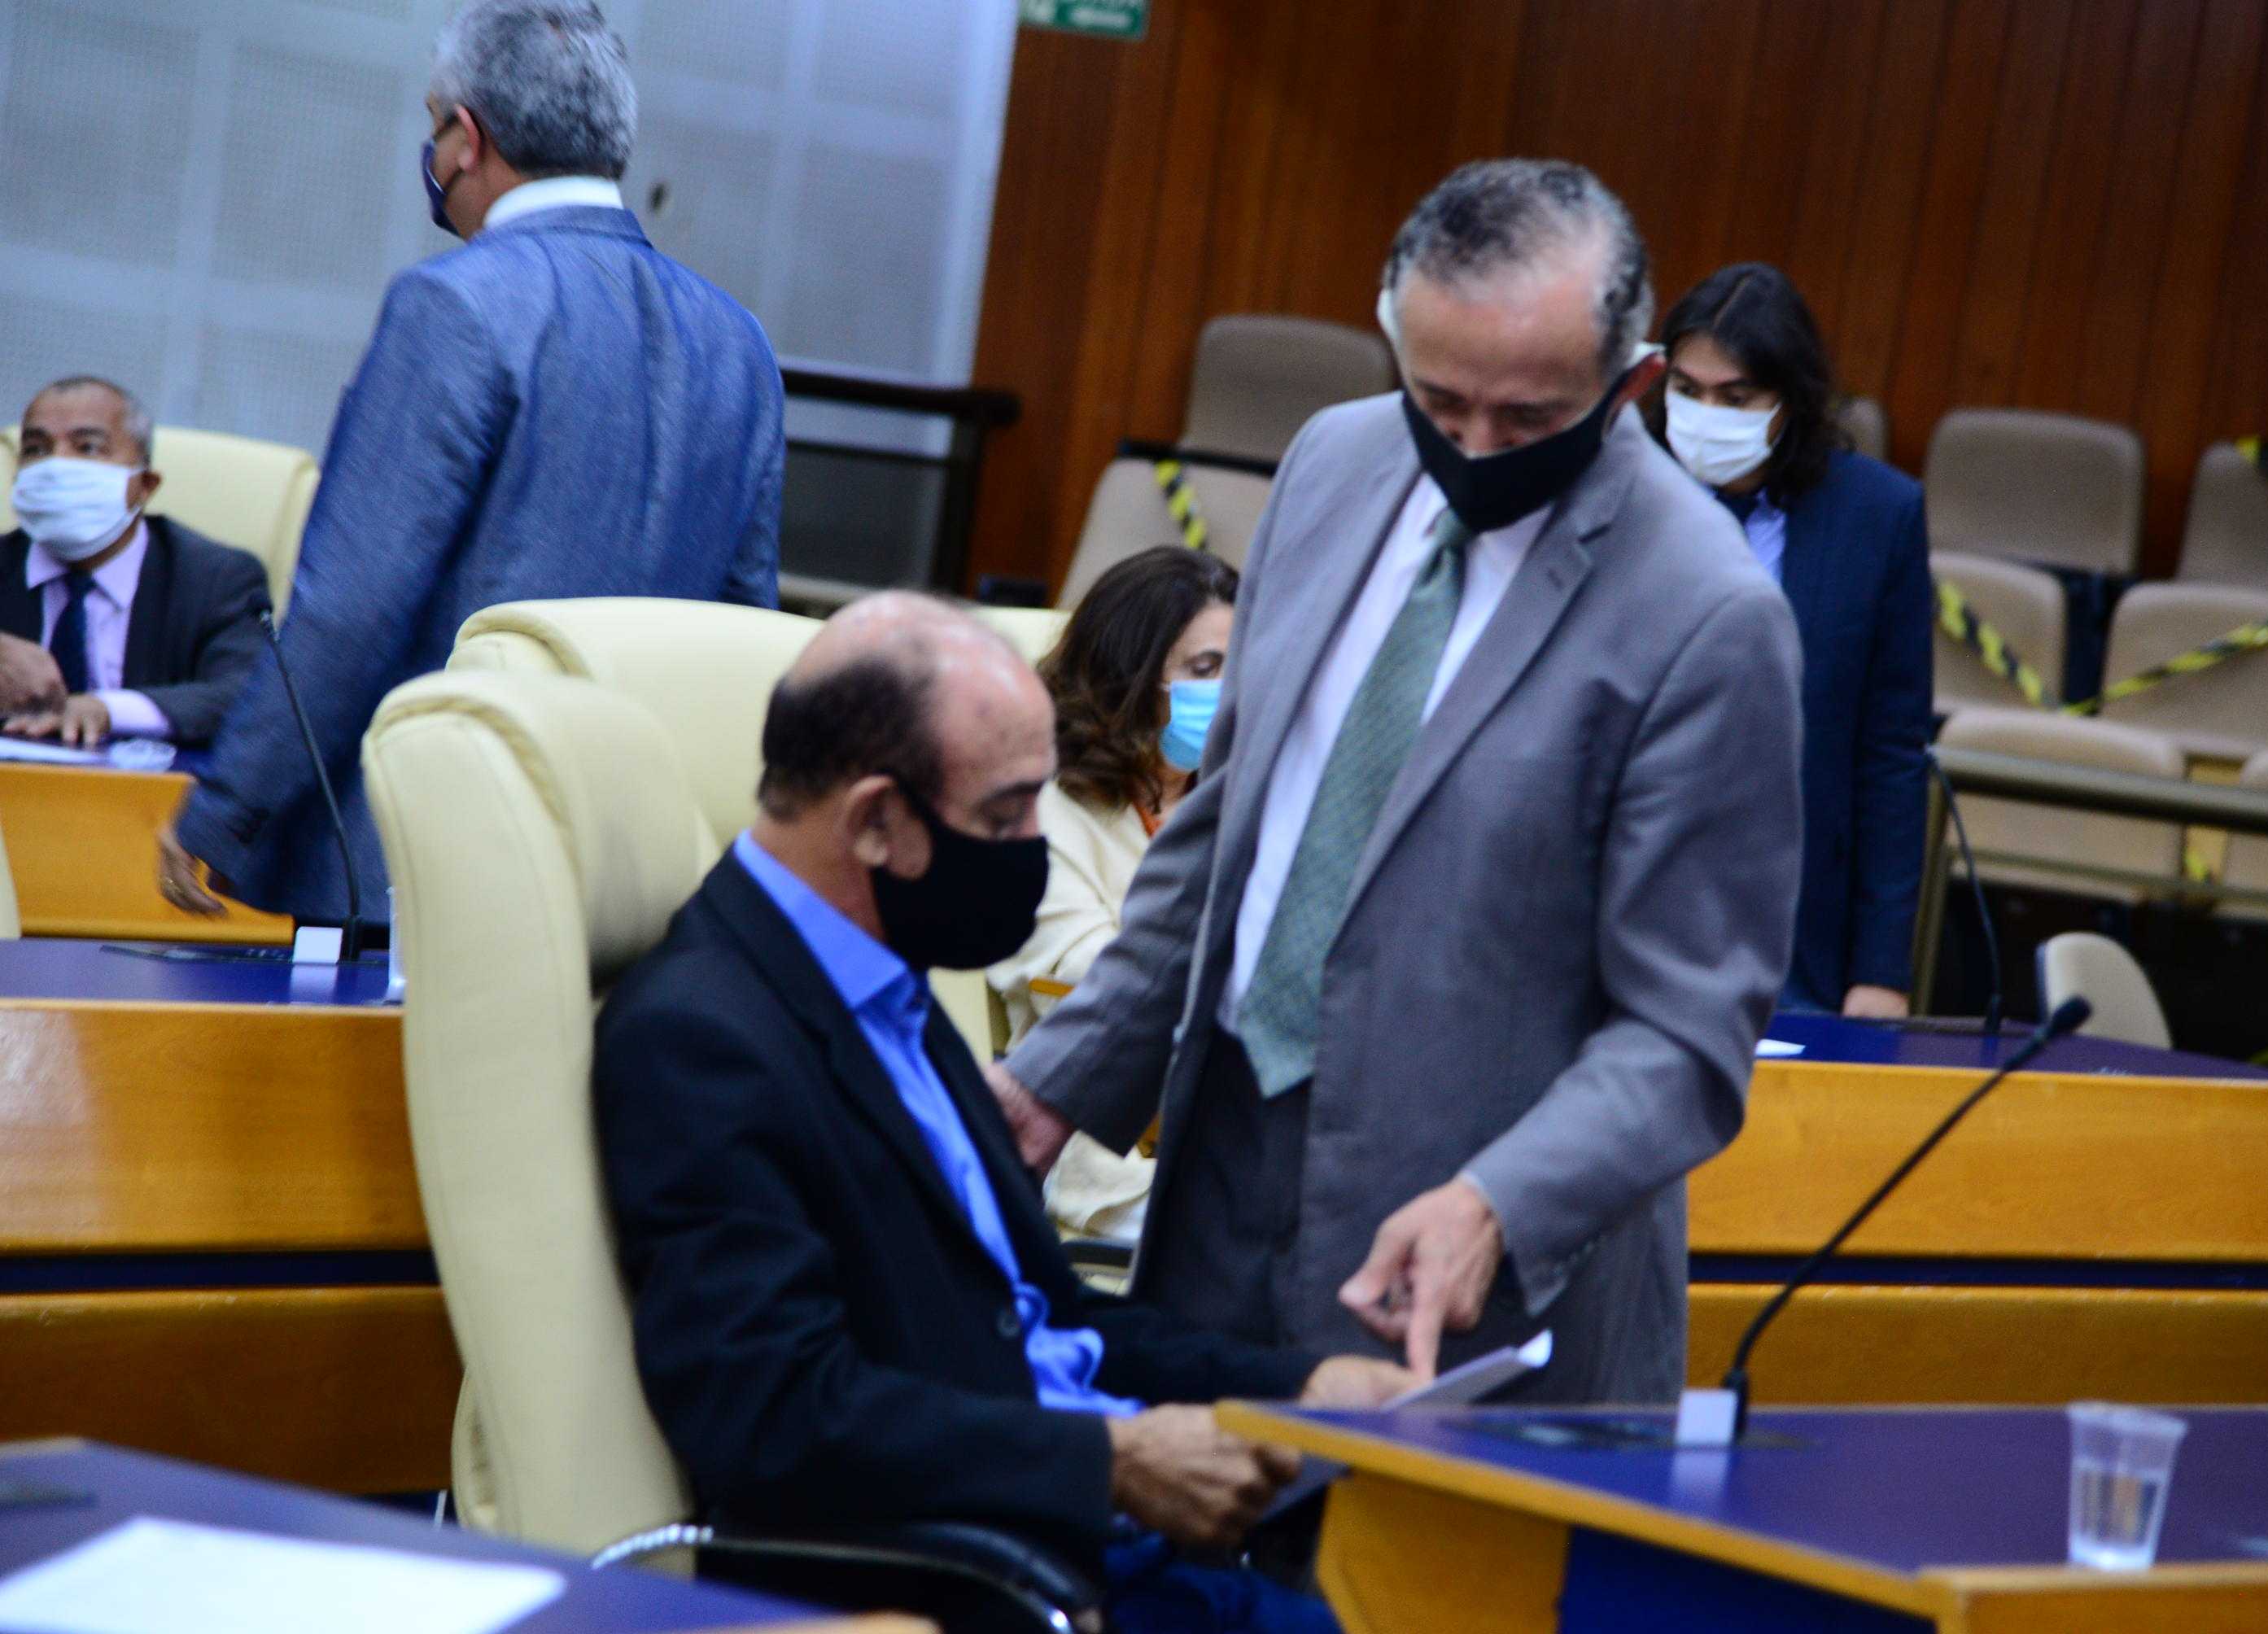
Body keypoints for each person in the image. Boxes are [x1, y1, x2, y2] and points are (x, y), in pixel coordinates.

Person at [989, 159, 1805, 1402]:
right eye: (1440, 401)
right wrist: (1056, 1082)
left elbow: (1687, 1038)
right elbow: (1229, 832)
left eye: (1527, 419)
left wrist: (1500, 1201)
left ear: (1630, 384)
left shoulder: (1709, 615)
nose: (1473, 448)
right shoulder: (1333, 460)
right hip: (1215, 1183)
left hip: (1474, 1268)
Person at [595, 593, 1411, 1629]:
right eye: (1003, 816)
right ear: (875, 821)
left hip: (1091, 1550)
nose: (1033, 846)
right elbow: (773, 1414)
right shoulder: (702, 1038)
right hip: (972, 1587)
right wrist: (1110, 1461)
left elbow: (1049, 1317)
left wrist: (1299, 1385)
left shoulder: (884, 986)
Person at [160, 0, 782, 924]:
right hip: (643, 874)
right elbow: (745, 629)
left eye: (433, 123)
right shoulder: (740, 342)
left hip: (431, 858)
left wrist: (227, 807)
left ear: (465, 138)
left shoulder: (453, 304)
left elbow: (351, 608)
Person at [1654, 264, 1931, 1017]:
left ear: (1789, 402)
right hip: (1629, 902)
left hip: (1792, 934)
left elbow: (1891, 755)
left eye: (1736, 397)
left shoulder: (1881, 516)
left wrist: (1881, 972)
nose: (1706, 415)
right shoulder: (1620, 490)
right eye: (1687, 389)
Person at [988, 545, 1237, 1242]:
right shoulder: (1035, 808)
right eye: (1205, 669)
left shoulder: (1233, 802)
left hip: (1228, 1131)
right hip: (1099, 1146)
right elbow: (1078, 978)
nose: (1229, 692)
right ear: (1128, 675)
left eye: (1241, 666)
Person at [0, 378, 267, 749]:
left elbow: (249, 691)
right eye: (35, 449)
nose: (56, 464)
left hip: (152, 783)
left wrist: (108, 709)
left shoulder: (217, 577)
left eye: (88, 447)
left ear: (145, 486)